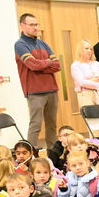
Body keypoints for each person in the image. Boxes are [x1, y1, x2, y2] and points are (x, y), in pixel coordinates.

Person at [14, 13, 61, 149]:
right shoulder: (20, 44)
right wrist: (47, 62)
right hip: (35, 91)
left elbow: (57, 65)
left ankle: (53, 153)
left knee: (52, 124)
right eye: (32, 25)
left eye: (36, 24)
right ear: (22, 26)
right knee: (36, 124)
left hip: (52, 89)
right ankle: (32, 155)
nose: (36, 27)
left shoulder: (43, 44)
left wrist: (42, 65)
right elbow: (32, 65)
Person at [71, 39, 99, 110]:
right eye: (86, 48)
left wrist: (93, 80)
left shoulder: (96, 63)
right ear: (80, 50)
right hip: (85, 94)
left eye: (91, 49)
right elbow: (82, 82)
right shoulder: (76, 65)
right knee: (92, 119)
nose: (89, 51)